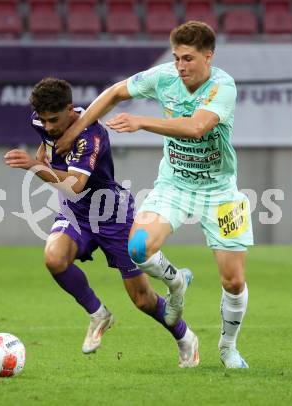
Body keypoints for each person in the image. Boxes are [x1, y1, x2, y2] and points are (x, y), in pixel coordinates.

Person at [55, 21, 254, 369]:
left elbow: (196, 127)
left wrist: (142, 122)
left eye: (189, 58)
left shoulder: (223, 86)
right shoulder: (164, 77)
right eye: (177, 58)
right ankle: (177, 283)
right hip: (174, 186)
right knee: (137, 248)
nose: (181, 66)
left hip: (220, 192)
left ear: (209, 56)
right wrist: (76, 129)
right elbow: (117, 91)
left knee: (233, 280)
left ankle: (228, 347)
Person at [4, 77, 199, 368]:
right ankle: (98, 314)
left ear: (71, 110)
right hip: (75, 214)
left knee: (142, 299)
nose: (48, 126)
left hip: (112, 217)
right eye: (43, 120)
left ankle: (185, 337)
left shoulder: (91, 136)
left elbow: (76, 185)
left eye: (54, 120)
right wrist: (43, 150)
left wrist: (35, 167)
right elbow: (47, 141)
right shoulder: (42, 122)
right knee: (54, 258)